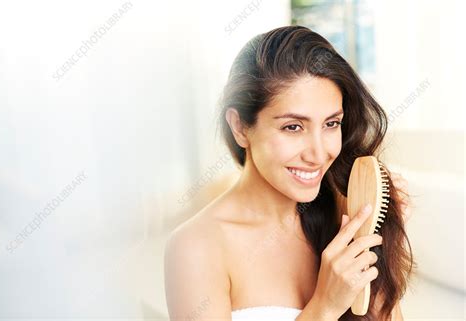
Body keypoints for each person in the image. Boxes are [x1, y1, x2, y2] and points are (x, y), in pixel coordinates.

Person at [164, 26, 414, 321]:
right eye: (293, 127)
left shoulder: (347, 218)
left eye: (331, 124)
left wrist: (382, 232)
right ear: (240, 127)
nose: (319, 154)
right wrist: (324, 307)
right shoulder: (196, 248)